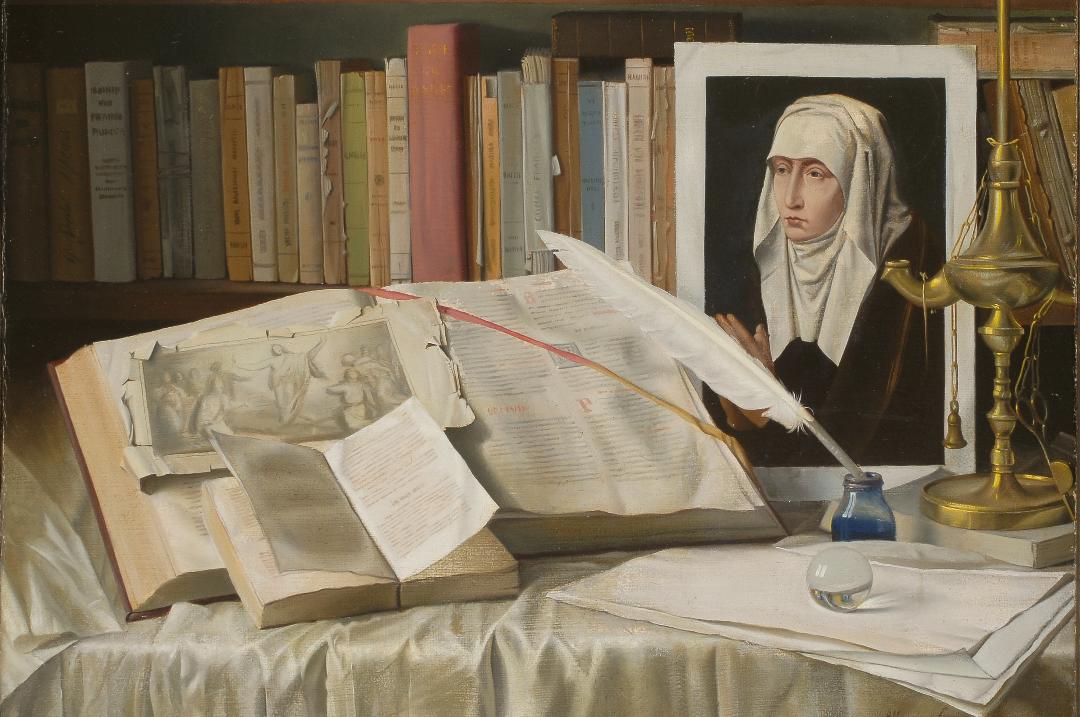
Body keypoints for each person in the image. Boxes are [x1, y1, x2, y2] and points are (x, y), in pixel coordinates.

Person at [714, 94, 942, 466]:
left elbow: (854, 440)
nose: (791, 198)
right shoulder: (766, 263)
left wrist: (762, 405)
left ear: (859, 180)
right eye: (782, 169)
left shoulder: (905, 262)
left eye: (815, 173)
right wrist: (735, 406)